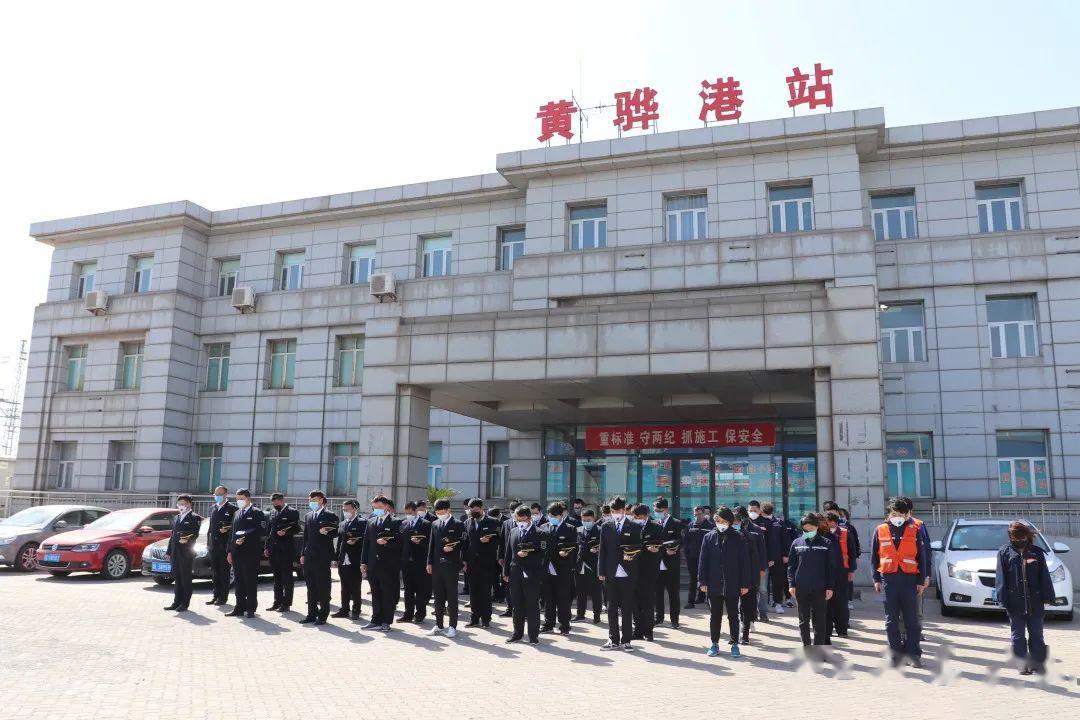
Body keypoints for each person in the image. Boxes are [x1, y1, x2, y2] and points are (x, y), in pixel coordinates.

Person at [871, 498, 929, 667]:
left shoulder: (914, 529)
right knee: (891, 620)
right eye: (893, 513)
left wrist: (921, 579)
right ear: (889, 514)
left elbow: (922, 557)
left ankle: (913, 654)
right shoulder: (880, 530)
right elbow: (875, 557)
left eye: (900, 514)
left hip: (909, 580)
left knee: (912, 620)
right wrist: (875, 579)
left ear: (906, 514)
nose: (897, 517)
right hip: (889, 580)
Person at [996, 521, 1055, 675]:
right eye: (1015, 537)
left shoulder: (1036, 552)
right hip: (1015, 602)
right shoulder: (1004, 552)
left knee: (1037, 634)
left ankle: (1037, 663)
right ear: (1011, 537)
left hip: (1035, 602)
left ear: (1026, 536)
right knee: (1018, 636)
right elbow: (1001, 577)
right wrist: (1002, 597)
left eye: (1021, 536)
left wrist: (1048, 597)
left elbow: (1044, 577)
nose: (1018, 540)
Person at [697, 506, 751, 657]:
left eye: (723, 521)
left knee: (733, 615)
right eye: (717, 520)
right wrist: (702, 581)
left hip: (732, 583)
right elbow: (703, 561)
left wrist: (745, 584)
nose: (720, 523)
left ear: (729, 521)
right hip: (713, 583)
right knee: (715, 615)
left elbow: (744, 562)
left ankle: (734, 643)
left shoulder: (738, 537)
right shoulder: (709, 537)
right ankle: (714, 643)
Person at [598, 497, 642, 651]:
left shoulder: (634, 526)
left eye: (618, 511)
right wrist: (601, 571)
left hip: (628, 572)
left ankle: (626, 640)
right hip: (610, 572)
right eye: (613, 511)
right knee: (611, 607)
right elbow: (602, 550)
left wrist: (632, 554)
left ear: (624, 510)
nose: (616, 514)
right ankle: (613, 639)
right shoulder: (606, 526)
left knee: (627, 607)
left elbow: (639, 548)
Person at [787, 513, 834, 651]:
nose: (808, 532)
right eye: (805, 530)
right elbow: (791, 566)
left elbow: (831, 568)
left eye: (811, 528)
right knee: (803, 620)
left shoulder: (826, 543)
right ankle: (807, 648)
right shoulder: (796, 543)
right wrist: (791, 584)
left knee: (820, 620)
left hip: (820, 587)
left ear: (817, 527)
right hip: (801, 587)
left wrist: (830, 587)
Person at [503, 504, 546, 644]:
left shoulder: (539, 533)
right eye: (517, 518)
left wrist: (528, 554)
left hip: (532, 574)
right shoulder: (513, 531)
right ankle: (517, 634)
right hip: (515, 573)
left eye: (522, 519)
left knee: (532, 605)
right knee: (517, 605)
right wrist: (506, 572)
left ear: (528, 518)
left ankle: (533, 636)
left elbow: (543, 554)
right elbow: (508, 553)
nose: (519, 522)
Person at [361, 495, 402, 631]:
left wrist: (387, 543)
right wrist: (363, 562)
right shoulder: (371, 522)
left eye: (379, 507)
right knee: (375, 593)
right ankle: (375, 620)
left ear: (386, 507)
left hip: (388, 565)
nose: (377, 509)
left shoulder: (396, 522)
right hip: (373, 564)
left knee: (387, 593)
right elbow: (366, 544)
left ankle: (386, 621)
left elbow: (400, 543)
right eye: (375, 507)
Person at [427, 498, 465, 637]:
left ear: (448, 510)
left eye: (442, 511)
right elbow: (432, 545)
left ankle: (452, 626)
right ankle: (438, 624)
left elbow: (464, 543)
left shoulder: (458, 524)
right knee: (438, 596)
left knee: (452, 596)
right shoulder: (435, 524)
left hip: (451, 565)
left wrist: (454, 550)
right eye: (437, 511)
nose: (439, 513)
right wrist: (429, 562)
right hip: (437, 565)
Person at [226, 489, 265, 618]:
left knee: (250, 581)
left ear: (248, 498)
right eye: (237, 499)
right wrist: (230, 551)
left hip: (250, 553)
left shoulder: (257, 513)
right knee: (239, 582)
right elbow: (232, 534)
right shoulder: (237, 513)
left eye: (241, 498)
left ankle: (251, 609)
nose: (239, 501)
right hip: (237, 553)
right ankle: (239, 607)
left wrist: (247, 538)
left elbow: (261, 532)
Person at [301, 491, 338, 625]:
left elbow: (336, 532)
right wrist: (303, 554)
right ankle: (311, 614)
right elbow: (306, 537)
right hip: (309, 555)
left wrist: (327, 532)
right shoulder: (308, 515)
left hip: (322, 557)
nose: (312, 502)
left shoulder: (330, 515)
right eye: (310, 499)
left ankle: (323, 615)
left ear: (322, 500)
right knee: (311, 586)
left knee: (323, 586)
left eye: (315, 499)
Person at [463, 497, 501, 628]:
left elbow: (498, 540)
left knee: (485, 591)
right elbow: (465, 542)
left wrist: (489, 542)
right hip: (472, 562)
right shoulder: (468, 522)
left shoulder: (493, 522)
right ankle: (474, 618)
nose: (473, 511)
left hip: (487, 562)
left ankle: (486, 619)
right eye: (471, 509)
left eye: (476, 509)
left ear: (481, 509)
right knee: (473, 591)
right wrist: (464, 560)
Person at [541, 501, 577, 634]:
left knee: (563, 599)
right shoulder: (543, 527)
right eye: (549, 515)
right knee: (548, 598)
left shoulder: (570, 528)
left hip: (563, 569)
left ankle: (564, 625)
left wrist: (567, 553)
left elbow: (574, 548)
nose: (551, 518)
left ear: (561, 515)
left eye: (554, 516)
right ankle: (548, 623)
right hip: (547, 568)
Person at [733, 506, 766, 644]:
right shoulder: (728, 533)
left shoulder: (755, 531)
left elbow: (761, 551)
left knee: (750, 601)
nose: (736, 522)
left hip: (752, 572)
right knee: (737, 604)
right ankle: (740, 627)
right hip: (734, 574)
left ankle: (749, 621)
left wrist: (762, 568)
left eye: (739, 518)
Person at [163, 495, 201, 612]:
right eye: (179, 503)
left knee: (185, 579)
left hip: (186, 553)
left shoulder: (194, 517)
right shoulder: (177, 517)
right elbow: (173, 535)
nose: (181, 505)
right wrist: (169, 551)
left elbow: (195, 534)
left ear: (189, 504)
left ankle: (185, 603)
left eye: (183, 503)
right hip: (175, 552)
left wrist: (188, 540)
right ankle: (176, 602)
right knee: (177, 578)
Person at [822, 511, 857, 638]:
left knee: (841, 602)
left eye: (829, 522)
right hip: (826, 572)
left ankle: (842, 629)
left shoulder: (845, 532)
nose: (827, 524)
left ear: (835, 522)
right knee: (827, 601)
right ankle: (827, 629)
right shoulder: (822, 533)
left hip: (842, 571)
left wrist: (852, 570)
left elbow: (852, 552)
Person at [264, 493, 300, 612]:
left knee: (287, 578)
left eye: (276, 501)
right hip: (274, 550)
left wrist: (286, 533)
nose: (274, 504)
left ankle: (286, 603)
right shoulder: (272, 512)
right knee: (277, 578)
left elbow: (296, 528)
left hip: (286, 550)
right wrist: (266, 547)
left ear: (282, 500)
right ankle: (277, 602)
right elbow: (269, 531)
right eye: (273, 502)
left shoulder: (292, 511)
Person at [653, 497, 683, 629]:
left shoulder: (676, 523)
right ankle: (659, 618)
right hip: (657, 563)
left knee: (673, 593)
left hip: (671, 563)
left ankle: (674, 620)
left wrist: (675, 548)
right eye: (655, 510)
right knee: (657, 593)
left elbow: (681, 540)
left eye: (659, 510)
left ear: (666, 510)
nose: (657, 512)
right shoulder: (653, 523)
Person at [632, 504, 661, 641]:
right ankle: (637, 631)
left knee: (648, 603)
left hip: (649, 570)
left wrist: (656, 550)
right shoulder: (630, 526)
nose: (637, 519)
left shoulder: (655, 527)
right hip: (633, 570)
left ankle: (648, 632)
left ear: (647, 515)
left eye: (640, 517)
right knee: (635, 603)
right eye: (635, 517)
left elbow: (661, 546)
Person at [333, 500, 366, 620]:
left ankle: (356, 610)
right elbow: (340, 542)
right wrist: (336, 558)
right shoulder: (342, 524)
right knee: (344, 586)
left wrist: (356, 543)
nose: (345, 512)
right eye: (344, 509)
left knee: (355, 586)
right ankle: (344, 609)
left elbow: (365, 541)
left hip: (355, 558)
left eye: (348, 509)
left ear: (355, 509)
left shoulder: (362, 523)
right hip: (343, 559)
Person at [400, 501, 432, 623]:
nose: (408, 515)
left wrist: (420, 543)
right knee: (408, 590)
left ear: (415, 511)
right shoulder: (403, 523)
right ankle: (408, 614)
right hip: (406, 561)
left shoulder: (426, 524)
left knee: (420, 590)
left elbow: (430, 543)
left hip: (420, 561)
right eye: (406, 512)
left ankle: (420, 614)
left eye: (410, 512)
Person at [205, 485, 236, 606]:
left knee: (224, 572)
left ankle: (223, 597)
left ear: (225, 494)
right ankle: (215, 595)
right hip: (214, 546)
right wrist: (208, 543)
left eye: (220, 494)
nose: (217, 496)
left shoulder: (232, 509)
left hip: (224, 546)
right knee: (215, 572)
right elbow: (210, 528)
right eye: (215, 494)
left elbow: (234, 528)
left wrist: (227, 531)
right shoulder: (213, 508)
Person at [575, 508, 603, 623]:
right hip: (580, 565)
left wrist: (598, 550)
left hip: (594, 565)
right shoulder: (578, 530)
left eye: (588, 520)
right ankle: (580, 614)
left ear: (594, 519)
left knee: (596, 592)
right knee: (580, 591)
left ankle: (597, 616)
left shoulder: (600, 530)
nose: (586, 521)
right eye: (583, 519)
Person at [747, 500, 773, 622]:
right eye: (750, 510)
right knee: (751, 589)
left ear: (760, 511)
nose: (752, 512)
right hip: (748, 563)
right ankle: (752, 612)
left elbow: (771, 543)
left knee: (763, 589)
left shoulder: (766, 523)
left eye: (755, 510)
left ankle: (763, 613)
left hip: (762, 561)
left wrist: (769, 559)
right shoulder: (744, 524)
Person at [683, 505, 713, 609]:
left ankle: (708, 601)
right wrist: (687, 554)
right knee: (693, 579)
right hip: (692, 557)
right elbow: (685, 541)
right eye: (695, 514)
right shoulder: (690, 525)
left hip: (706, 558)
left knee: (707, 578)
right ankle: (690, 601)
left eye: (699, 514)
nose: (697, 516)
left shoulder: (710, 526)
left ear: (704, 514)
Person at [497, 500, 522, 617]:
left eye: (515, 511)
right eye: (511, 511)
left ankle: (521, 610)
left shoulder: (525, 523)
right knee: (507, 584)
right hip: (508, 559)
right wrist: (500, 556)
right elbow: (502, 541)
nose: (513, 513)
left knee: (520, 587)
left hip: (521, 559)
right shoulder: (506, 523)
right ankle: (509, 608)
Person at [488, 507, 507, 602]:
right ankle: (496, 594)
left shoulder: (506, 521)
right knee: (494, 576)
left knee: (504, 576)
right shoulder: (489, 521)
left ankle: (503, 595)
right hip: (492, 553)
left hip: (503, 553)